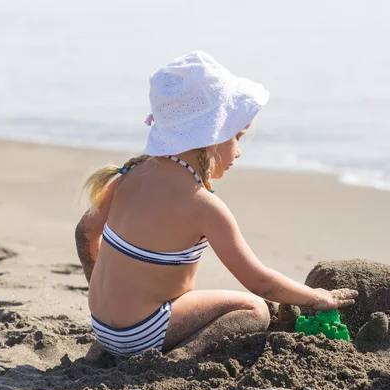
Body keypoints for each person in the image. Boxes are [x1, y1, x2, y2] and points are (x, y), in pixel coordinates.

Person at [74, 51, 358, 359]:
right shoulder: (204, 206)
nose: (238, 152)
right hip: (146, 334)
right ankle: (181, 356)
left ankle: (115, 343)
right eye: (236, 136)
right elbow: (259, 280)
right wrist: (315, 298)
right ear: (211, 137)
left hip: (102, 329)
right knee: (255, 309)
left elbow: (84, 233)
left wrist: (106, 296)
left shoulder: (128, 175)